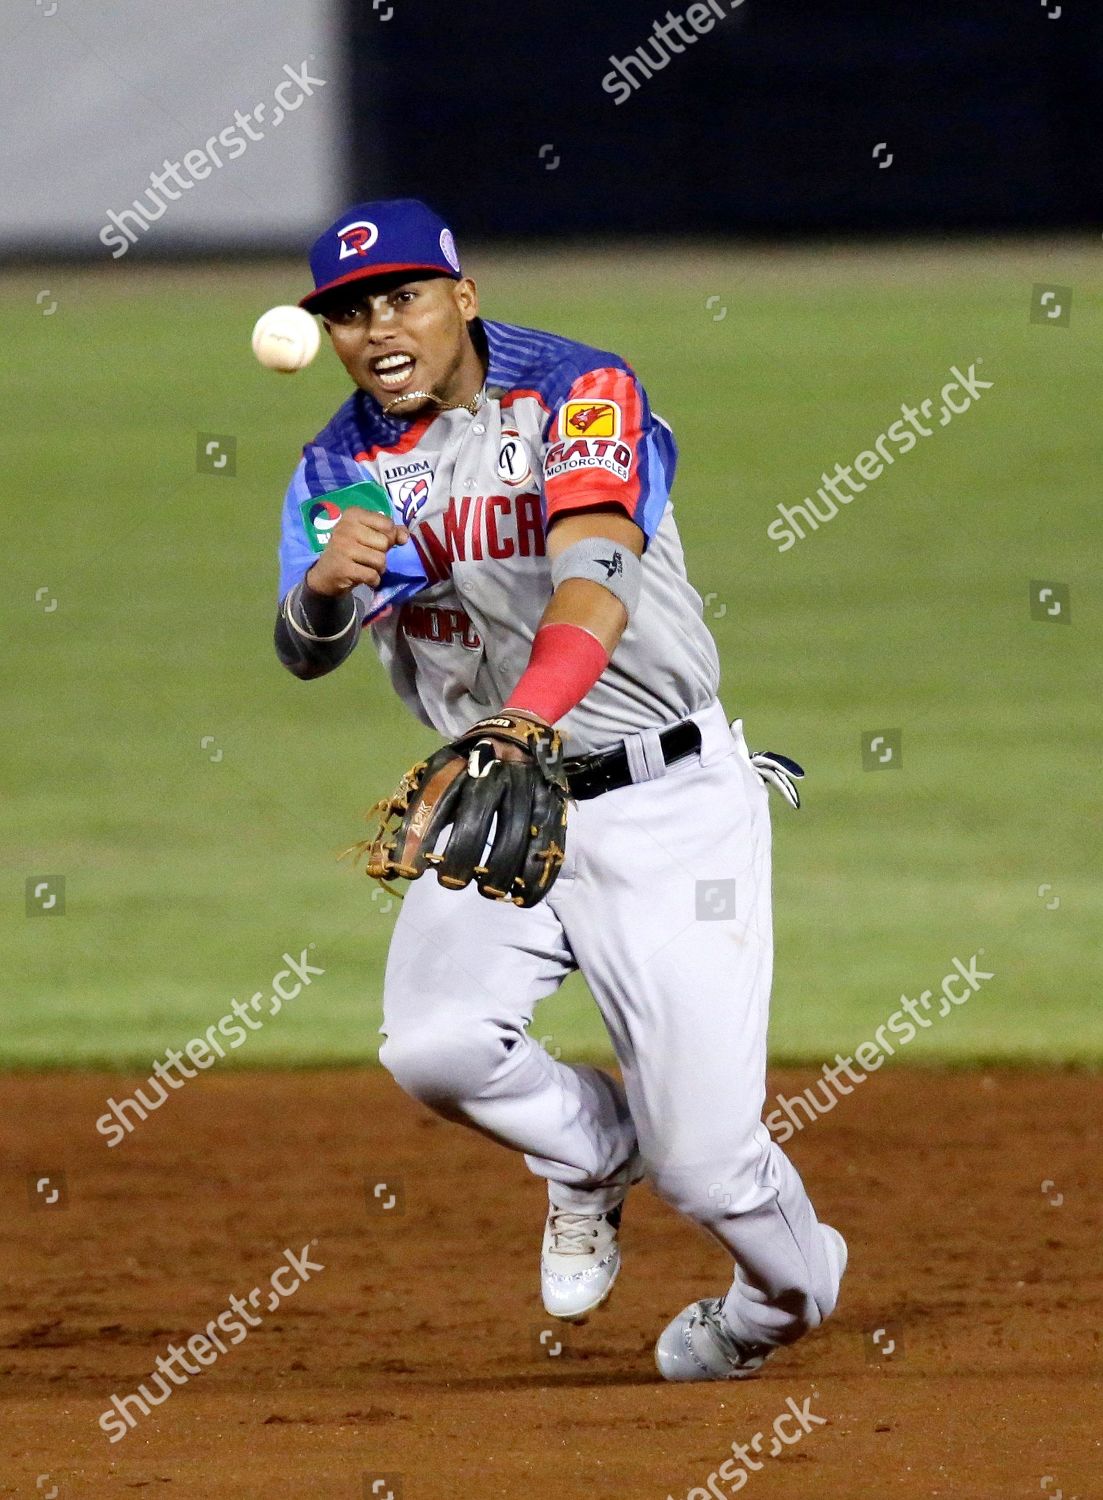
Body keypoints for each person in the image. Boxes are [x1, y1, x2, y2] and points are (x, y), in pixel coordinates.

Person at [274, 198, 846, 1379]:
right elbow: (304, 645)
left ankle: (777, 1307)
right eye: (347, 312)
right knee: (433, 1047)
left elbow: (594, 581)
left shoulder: (578, 396)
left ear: (462, 297)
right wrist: (326, 589)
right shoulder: (340, 460)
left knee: (706, 1166)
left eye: (404, 298)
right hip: (499, 802)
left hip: (665, 806)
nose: (377, 329)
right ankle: (586, 1154)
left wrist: (522, 718)